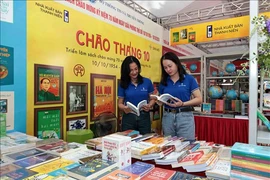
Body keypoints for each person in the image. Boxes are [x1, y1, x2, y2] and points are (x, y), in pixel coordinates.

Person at [158, 52, 202, 140]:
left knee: (187, 144)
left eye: (170, 66)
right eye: (165, 67)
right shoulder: (164, 82)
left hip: (184, 116)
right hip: (168, 117)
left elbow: (199, 99)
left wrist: (182, 104)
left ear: (177, 64)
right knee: (169, 146)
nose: (168, 70)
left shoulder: (189, 79)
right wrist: (158, 101)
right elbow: (160, 100)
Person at [118, 56, 156, 135]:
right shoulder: (123, 84)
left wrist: (149, 105)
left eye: (136, 69)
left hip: (144, 117)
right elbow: (120, 103)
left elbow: (153, 98)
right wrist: (124, 108)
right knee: (128, 142)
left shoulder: (147, 82)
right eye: (131, 70)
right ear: (126, 71)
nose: (134, 72)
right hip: (129, 118)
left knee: (145, 140)